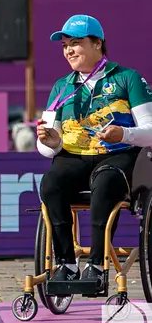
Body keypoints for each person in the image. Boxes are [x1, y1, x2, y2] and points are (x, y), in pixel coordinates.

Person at [37, 14, 152, 289]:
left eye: (75, 43)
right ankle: (66, 263)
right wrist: (51, 141)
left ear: (97, 44)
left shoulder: (127, 79)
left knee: (104, 184)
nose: (68, 51)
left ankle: (97, 266)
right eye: (65, 45)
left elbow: (150, 129)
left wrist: (123, 133)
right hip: (73, 157)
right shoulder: (61, 86)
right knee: (50, 184)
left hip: (116, 156)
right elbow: (46, 147)